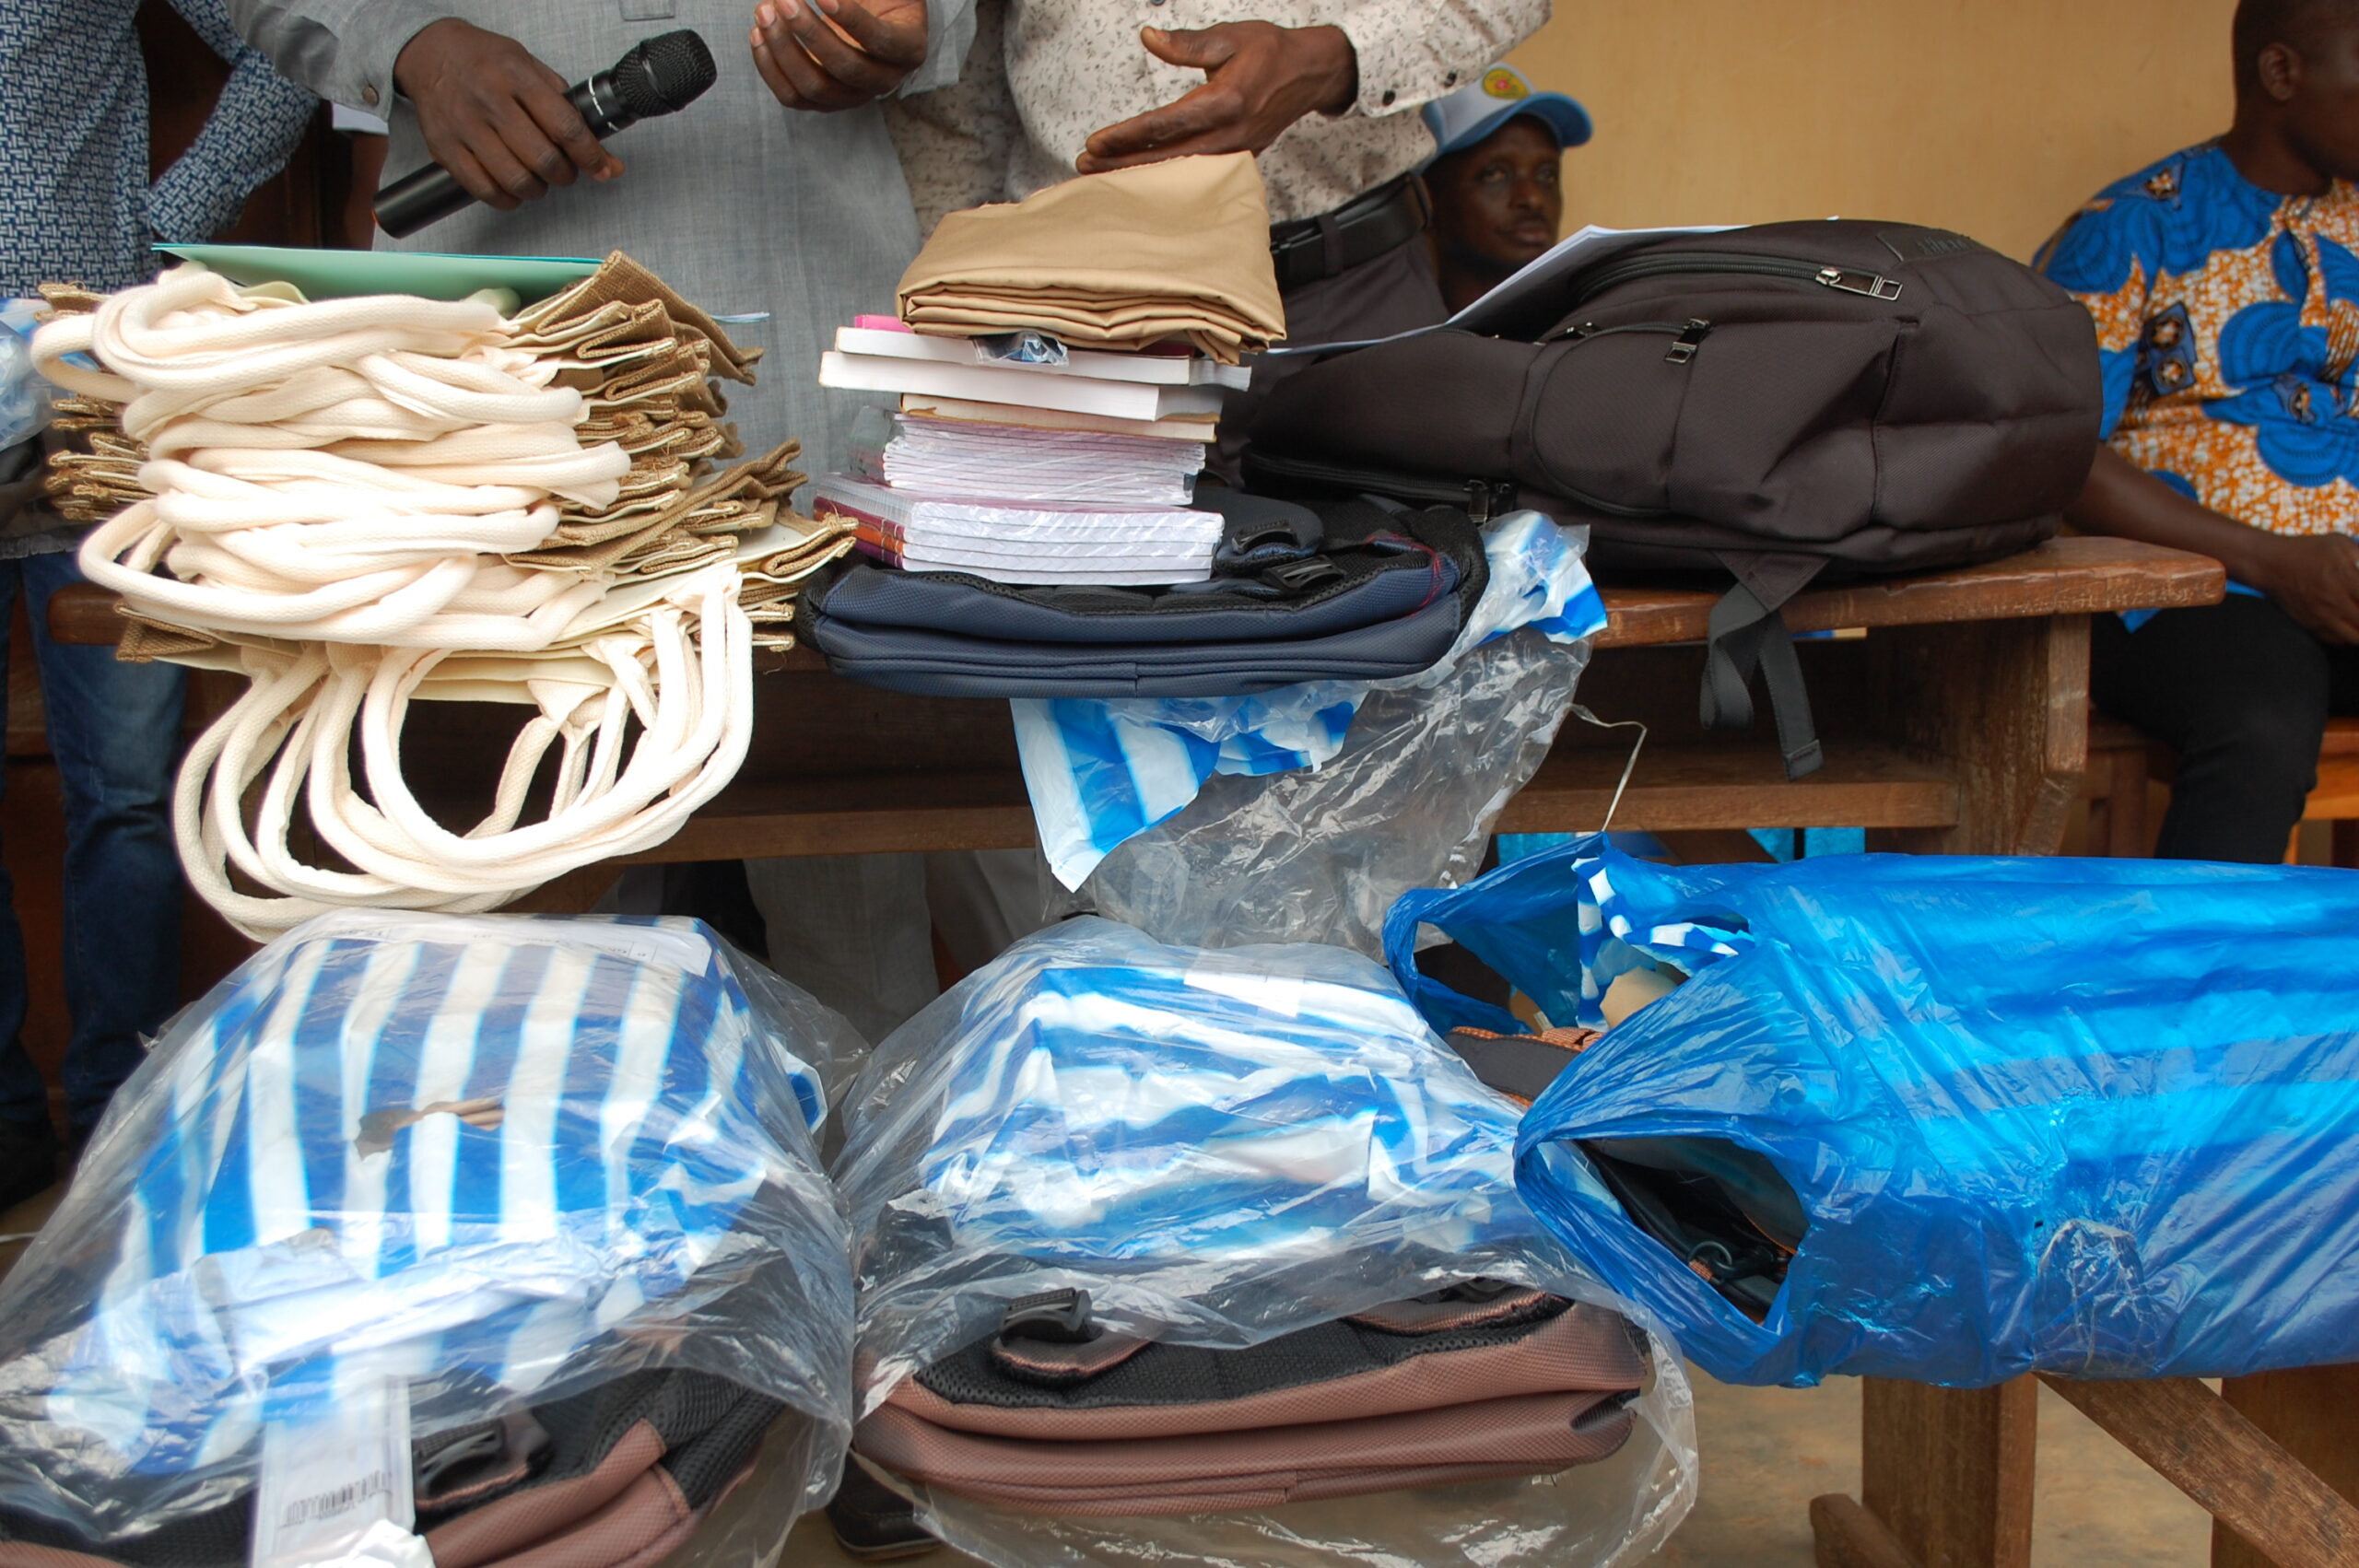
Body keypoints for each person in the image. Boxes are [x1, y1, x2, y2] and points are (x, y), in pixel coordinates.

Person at [0, 0, 315, 1207]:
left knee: (129, 795)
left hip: (88, 405)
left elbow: (294, 41)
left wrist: (158, 226)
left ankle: (118, 1122)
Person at [2039, 0, 2359, 863]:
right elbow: (2059, 455)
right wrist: (2277, 564)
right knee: (2260, 724)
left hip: (2347, 585)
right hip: (2189, 593)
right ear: (2282, 72)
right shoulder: (2133, 227)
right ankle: (2204, 957)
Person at [1419, 63, 1590, 313]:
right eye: (1495, 174)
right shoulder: (1386, 327)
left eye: (1547, 175)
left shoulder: (1589, 324)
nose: (1533, 198)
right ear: (1428, 196)